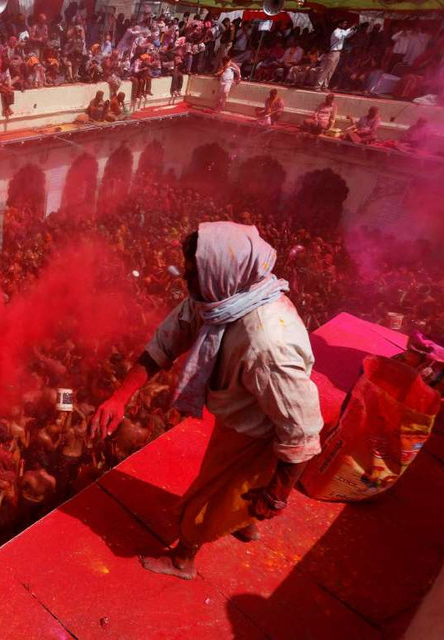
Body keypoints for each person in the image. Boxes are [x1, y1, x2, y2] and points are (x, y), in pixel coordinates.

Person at [94, 222, 322, 580]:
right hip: (242, 414)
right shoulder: (216, 297)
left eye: (192, 274)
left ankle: (183, 558)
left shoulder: (267, 344)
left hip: (264, 429)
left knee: (206, 498)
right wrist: (120, 396)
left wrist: (278, 496)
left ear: (221, 273)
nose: (185, 280)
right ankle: (241, 520)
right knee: (235, 490)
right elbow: (166, 343)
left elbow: (303, 432)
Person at [315, 21, 356, 91]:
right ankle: (317, 86)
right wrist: (350, 28)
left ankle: (325, 86)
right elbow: (341, 36)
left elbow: (348, 35)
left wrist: (354, 29)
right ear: (340, 24)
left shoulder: (343, 31)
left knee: (331, 70)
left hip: (338, 52)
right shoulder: (336, 31)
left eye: (346, 23)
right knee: (326, 69)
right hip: (333, 52)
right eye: (344, 23)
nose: (345, 25)